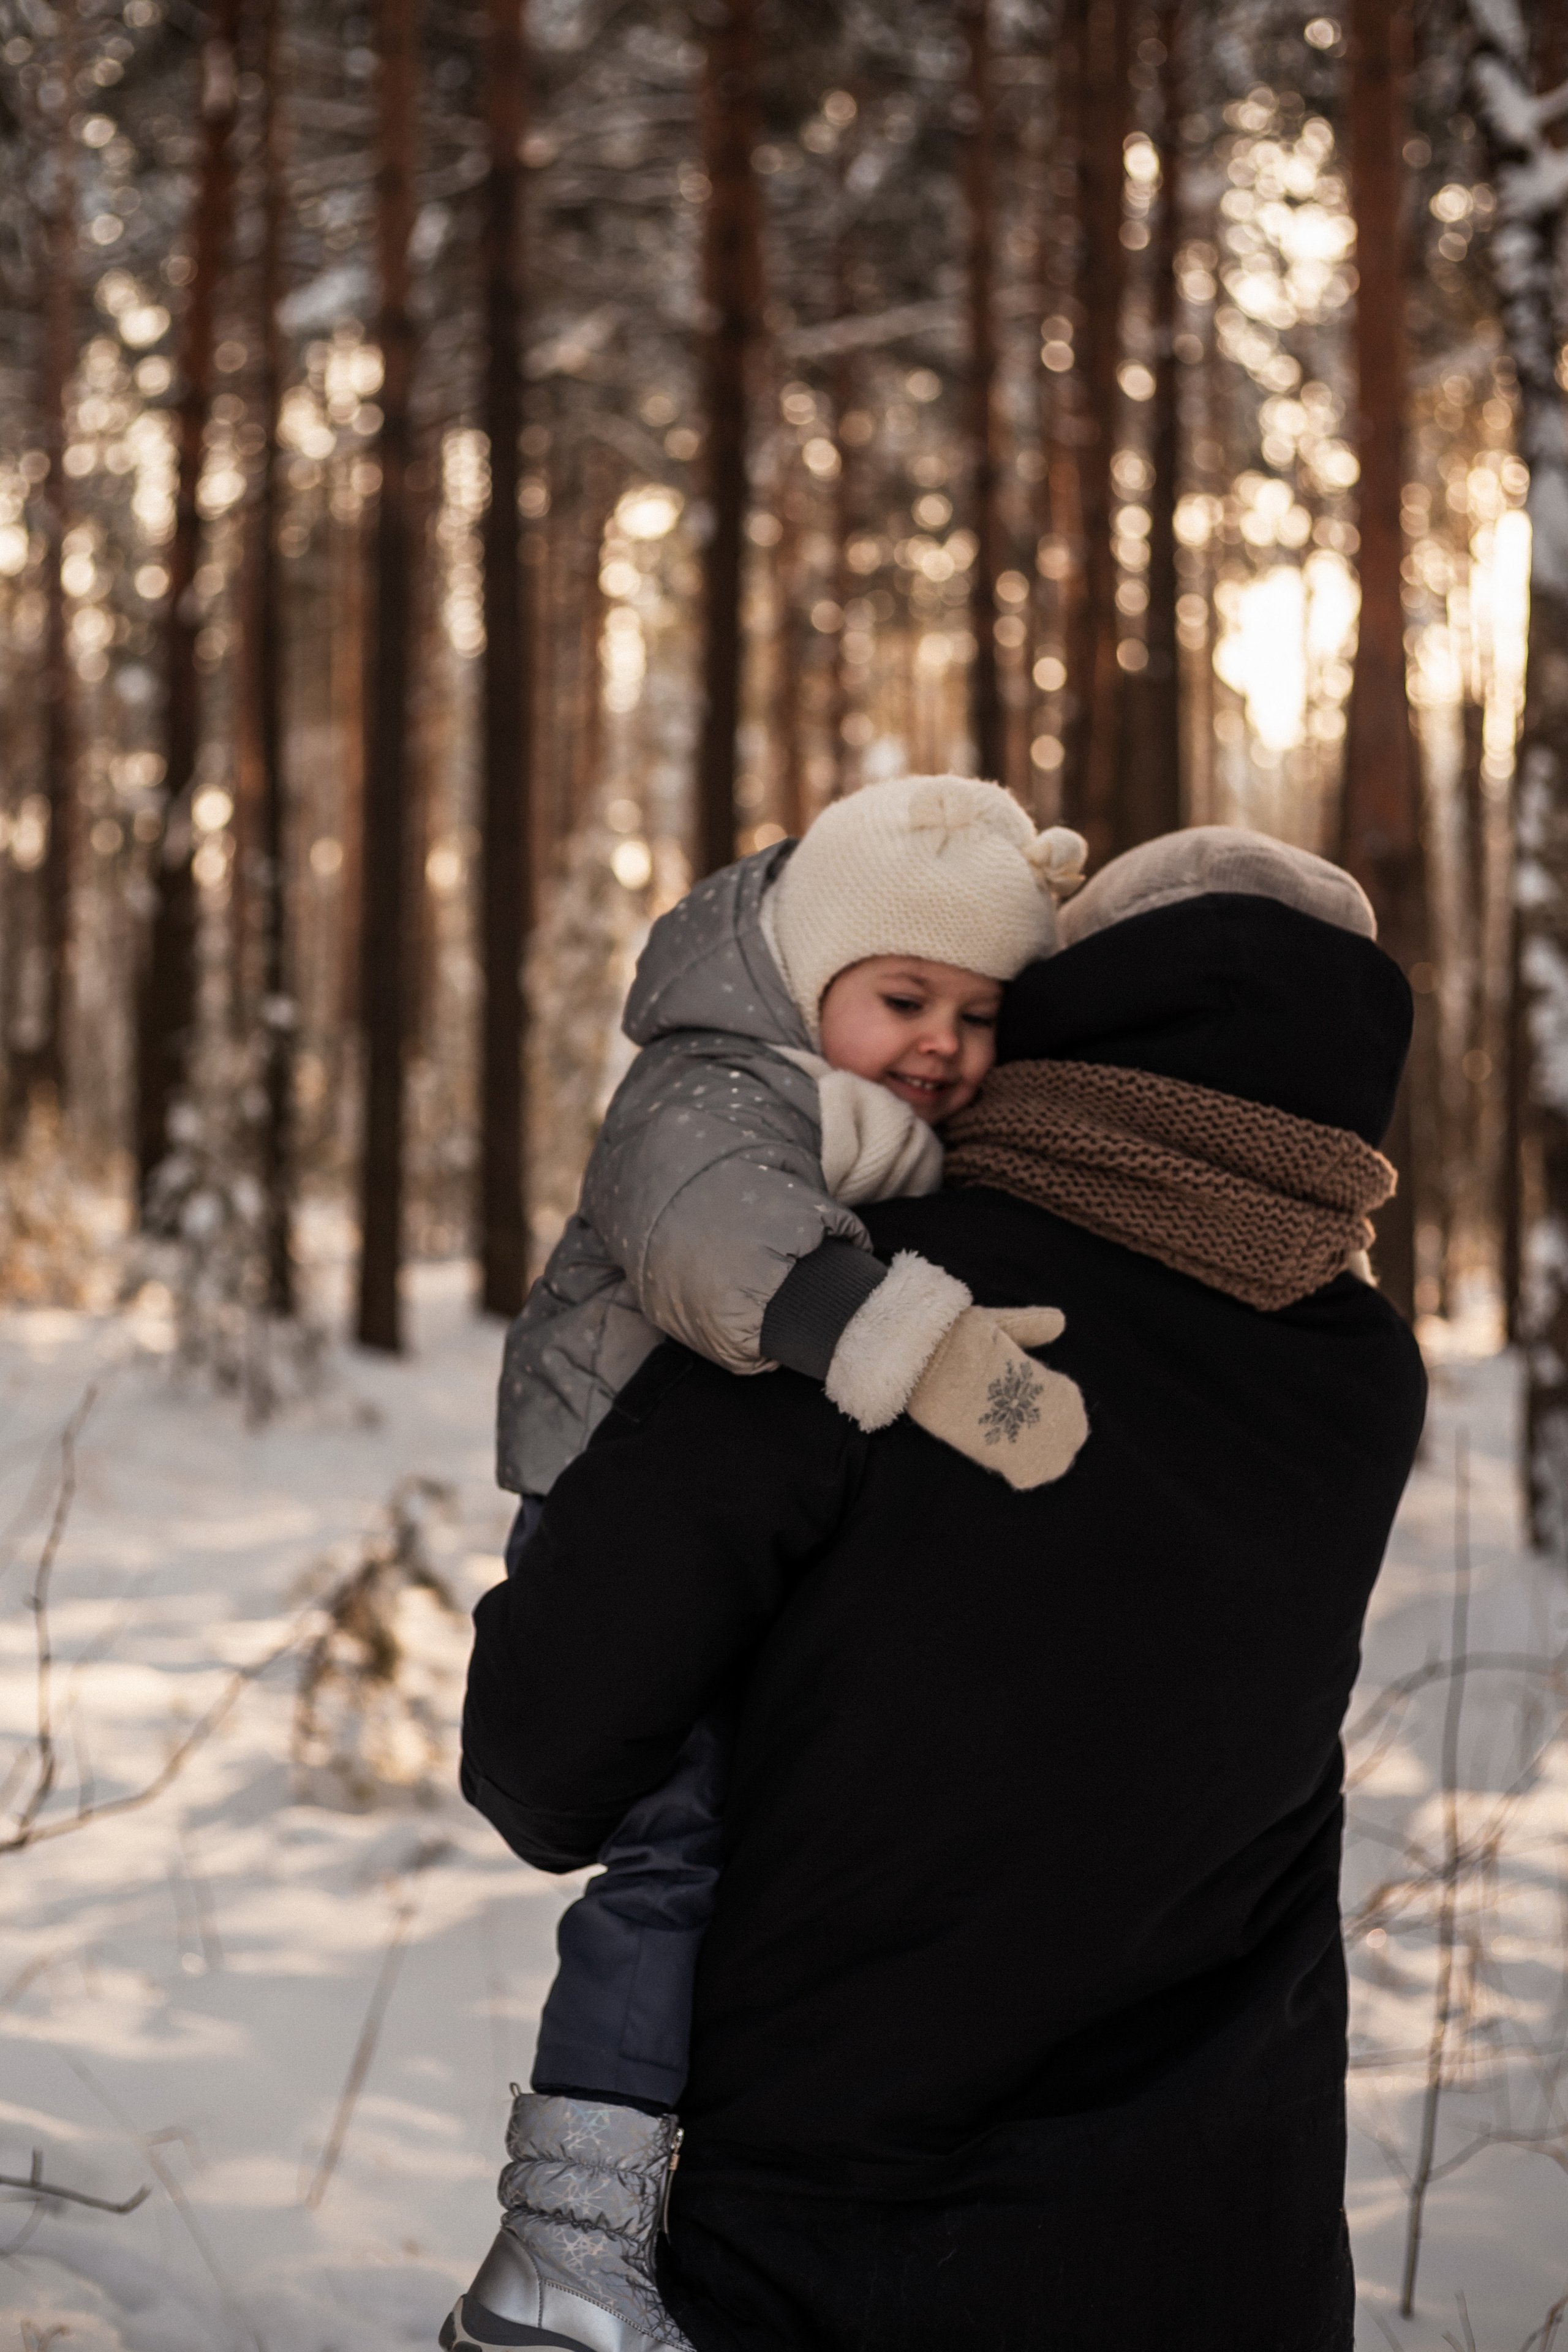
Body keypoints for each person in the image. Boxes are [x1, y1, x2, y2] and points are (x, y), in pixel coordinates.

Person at [456, 824, 1428, 2352]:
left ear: (1066, 1005)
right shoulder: (1357, 1375)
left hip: (835, 2241)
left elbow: (544, 1756)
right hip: (1229, 2250)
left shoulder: (869, 1304)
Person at [448, 777, 1089, 2352]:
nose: (940, 1040)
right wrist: (933, 1365)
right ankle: (560, 2241)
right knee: (669, 1858)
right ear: (806, 980)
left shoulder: (880, 1125)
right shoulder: (713, 1088)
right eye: (901, 997)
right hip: (614, 1522)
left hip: (728, 1542)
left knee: (761, 1852)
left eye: (977, 1010)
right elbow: (721, 1245)